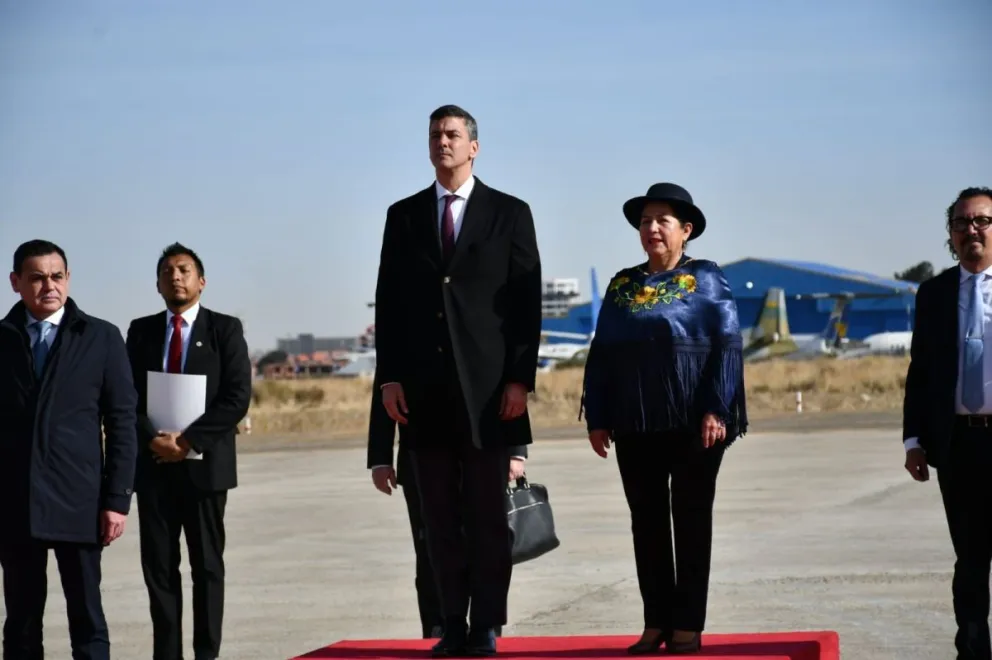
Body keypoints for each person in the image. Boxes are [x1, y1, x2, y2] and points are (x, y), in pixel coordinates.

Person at [373, 104, 542, 657]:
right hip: (424, 394)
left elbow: (525, 306)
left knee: (488, 518)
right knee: (439, 519)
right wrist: (391, 378)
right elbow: (392, 306)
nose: (442, 142)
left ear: (474, 146)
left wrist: (520, 380)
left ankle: (487, 624)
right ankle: (451, 623)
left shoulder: (509, 213)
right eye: (434, 135)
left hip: (490, 396)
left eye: (452, 135)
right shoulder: (403, 216)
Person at [580, 183, 747, 655]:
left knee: (692, 521)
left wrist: (716, 405)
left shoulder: (708, 279)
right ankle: (655, 622)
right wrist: (598, 414)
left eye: (663, 221)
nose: (652, 229)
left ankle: (687, 625)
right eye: (645, 221)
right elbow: (603, 352)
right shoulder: (622, 284)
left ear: (685, 230)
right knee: (646, 522)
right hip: (635, 423)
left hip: (696, 424)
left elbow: (727, 344)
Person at [0, 239, 138, 660]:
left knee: (87, 617)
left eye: (57, 276)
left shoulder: (100, 338)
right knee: (21, 622)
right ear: (16, 283)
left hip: (81, 501)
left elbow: (122, 423)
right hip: (15, 501)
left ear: (69, 279)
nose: (49, 286)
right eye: (37, 278)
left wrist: (116, 500)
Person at [124, 242, 252, 660]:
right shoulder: (140, 331)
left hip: (205, 467)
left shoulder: (225, 329)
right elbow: (126, 396)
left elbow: (236, 397)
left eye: (183, 270)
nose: (175, 277)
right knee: (159, 568)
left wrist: (189, 441)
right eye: (166, 271)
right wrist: (153, 438)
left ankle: (206, 653)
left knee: (207, 566)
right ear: (157, 283)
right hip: (155, 467)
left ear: (201, 281)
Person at [366, 369, 529, 640]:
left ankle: (485, 627)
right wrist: (381, 458)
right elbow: (387, 381)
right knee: (430, 549)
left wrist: (516, 450)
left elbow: (500, 371)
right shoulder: (405, 329)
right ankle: (438, 628)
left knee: (485, 542)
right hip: (421, 455)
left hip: (483, 448)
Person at [903, 186, 992, 660]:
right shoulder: (934, 293)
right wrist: (914, 440)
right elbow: (921, 371)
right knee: (971, 559)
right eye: (962, 223)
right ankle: (973, 650)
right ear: (950, 235)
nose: (971, 230)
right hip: (959, 445)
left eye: (981, 221)